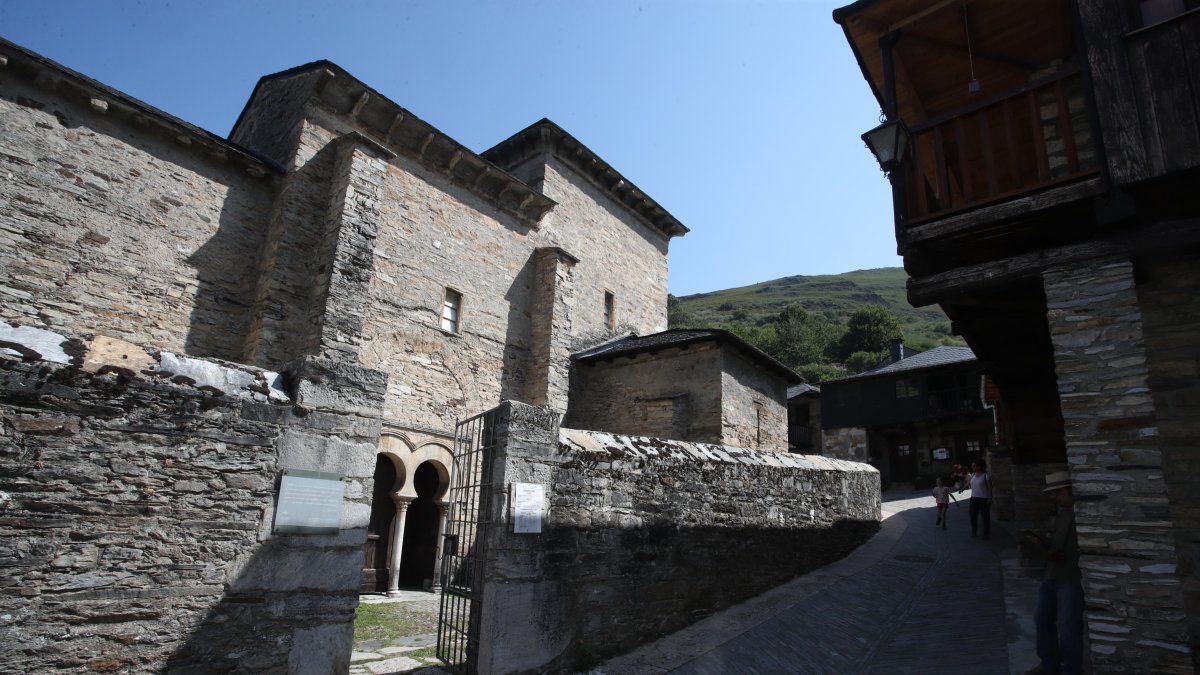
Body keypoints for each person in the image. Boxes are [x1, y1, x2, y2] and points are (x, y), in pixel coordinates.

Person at [1021, 472, 1083, 675]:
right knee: (1042, 619)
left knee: (1068, 626)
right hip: (1052, 575)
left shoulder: (1080, 514)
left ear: (1067, 491)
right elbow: (1053, 543)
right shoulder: (1059, 513)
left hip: (1071, 577)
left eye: (1058, 493)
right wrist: (1038, 542)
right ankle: (1049, 663)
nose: (1055, 497)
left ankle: (1071, 669)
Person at [959, 460, 993, 539]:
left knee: (985, 517)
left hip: (983, 499)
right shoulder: (973, 475)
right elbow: (968, 484)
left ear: (979, 466)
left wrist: (990, 498)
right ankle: (974, 531)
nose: (972, 467)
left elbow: (990, 488)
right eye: (972, 465)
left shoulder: (985, 476)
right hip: (973, 498)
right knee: (972, 516)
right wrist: (962, 489)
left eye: (974, 466)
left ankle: (986, 534)